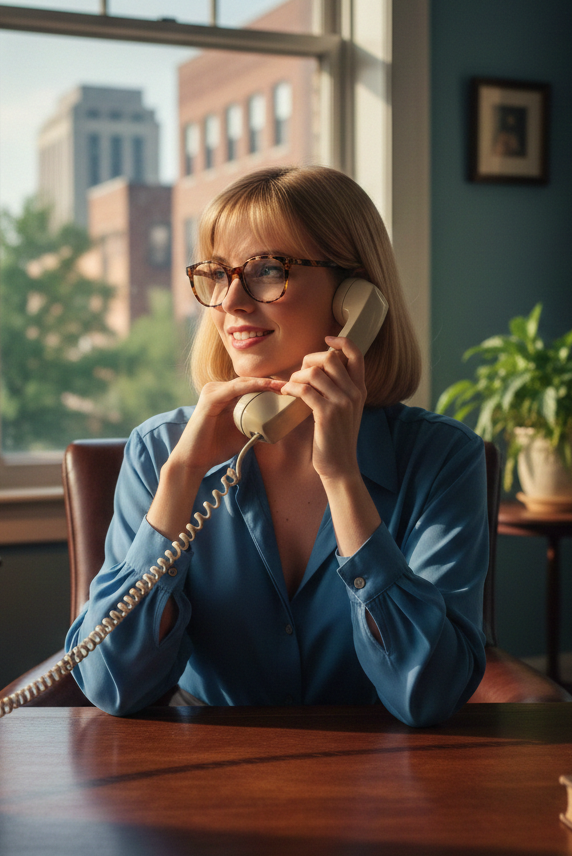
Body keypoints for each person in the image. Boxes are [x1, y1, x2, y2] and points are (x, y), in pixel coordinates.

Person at [65, 166, 488, 727]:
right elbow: (111, 684)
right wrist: (182, 478)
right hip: (204, 782)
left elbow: (430, 693)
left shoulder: (442, 459)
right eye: (217, 275)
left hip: (381, 790)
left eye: (267, 270)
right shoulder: (160, 451)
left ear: (356, 298)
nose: (231, 301)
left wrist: (343, 479)